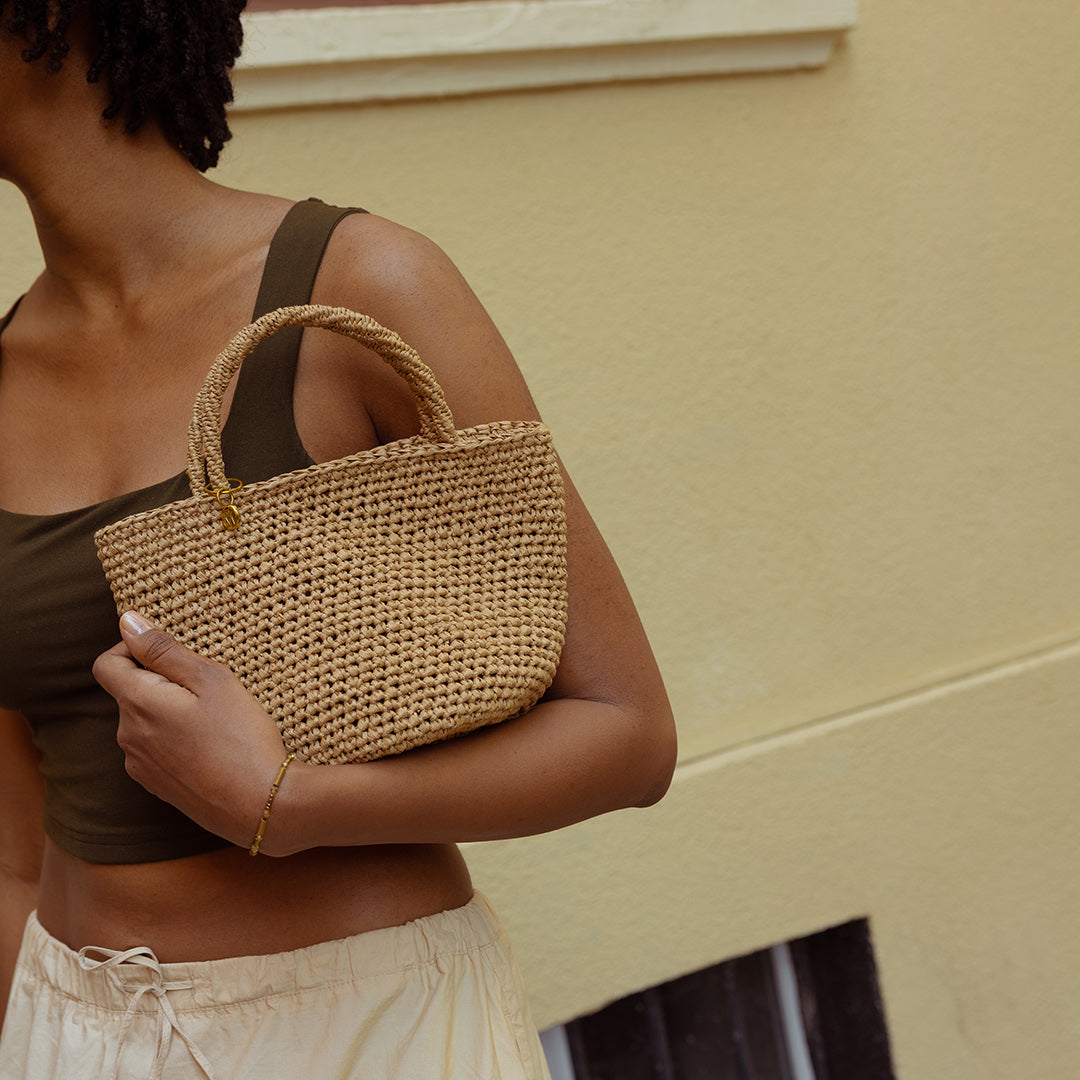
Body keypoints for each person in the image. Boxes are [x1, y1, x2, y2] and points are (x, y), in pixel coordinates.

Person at [0, 2, 676, 1077]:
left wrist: (292, 805)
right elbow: (15, 851)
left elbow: (627, 733)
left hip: (364, 1030)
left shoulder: (361, 286)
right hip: (66, 1032)